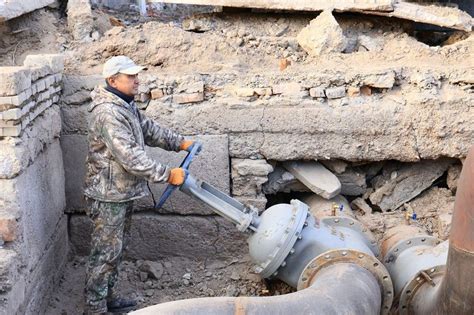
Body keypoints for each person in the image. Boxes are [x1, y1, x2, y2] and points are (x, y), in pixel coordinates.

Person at [83, 55, 196, 314]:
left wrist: (179, 142)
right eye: (130, 76)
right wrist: (167, 174)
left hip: (120, 192)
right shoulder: (108, 113)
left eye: (136, 75)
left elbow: (148, 129)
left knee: (115, 249)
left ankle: (107, 299)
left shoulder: (124, 104)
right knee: (105, 253)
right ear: (113, 80)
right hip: (107, 195)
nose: (137, 80)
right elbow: (130, 157)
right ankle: (94, 308)